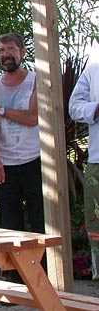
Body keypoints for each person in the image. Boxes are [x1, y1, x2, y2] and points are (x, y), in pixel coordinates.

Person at [0, 33, 44, 238]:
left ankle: (45, 261)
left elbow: (32, 118)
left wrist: (0, 109)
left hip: (34, 160)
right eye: (1, 50)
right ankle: (14, 263)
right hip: (5, 165)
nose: (6, 54)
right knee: (10, 227)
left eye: (11, 49)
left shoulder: (35, 80)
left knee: (41, 223)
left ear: (22, 52)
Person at [68, 50, 99, 281]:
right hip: (97, 160)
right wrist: (95, 109)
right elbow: (74, 106)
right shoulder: (93, 69)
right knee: (96, 222)